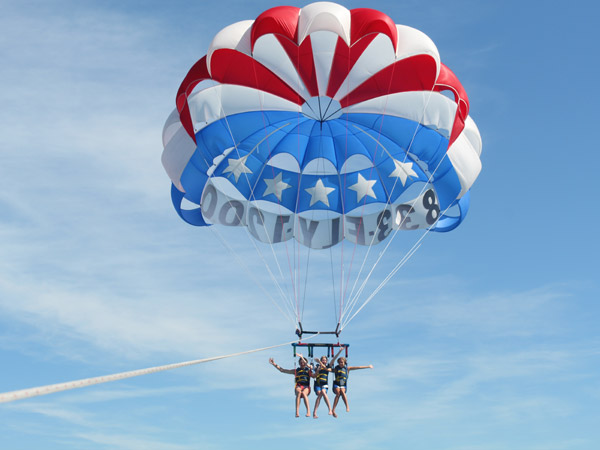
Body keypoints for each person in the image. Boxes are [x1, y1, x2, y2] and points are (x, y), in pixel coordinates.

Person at [311, 348, 343, 418]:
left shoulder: (328, 366)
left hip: (324, 384)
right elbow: (313, 373)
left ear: (326, 361)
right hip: (317, 384)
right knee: (319, 394)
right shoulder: (317, 366)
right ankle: (315, 412)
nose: (324, 361)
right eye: (322, 360)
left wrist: (339, 351)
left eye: (325, 360)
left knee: (323, 392)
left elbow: (334, 359)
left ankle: (330, 409)